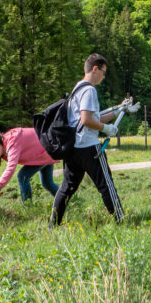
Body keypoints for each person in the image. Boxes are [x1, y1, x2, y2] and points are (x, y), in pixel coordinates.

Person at [50, 53, 123, 226]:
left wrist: (119, 111)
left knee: (66, 188)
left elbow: (92, 117)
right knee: (106, 185)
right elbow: (86, 120)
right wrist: (106, 129)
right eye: (103, 72)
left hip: (73, 148)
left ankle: (53, 225)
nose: (104, 76)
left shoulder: (78, 88)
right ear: (95, 69)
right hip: (89, 148)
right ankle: (121, 220)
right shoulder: (90, 90)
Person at [0, 128, 60, 204]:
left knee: (23, 176)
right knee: (47, 183)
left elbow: (11, 168)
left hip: (45, 151)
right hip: (45, 151)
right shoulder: (1, 146)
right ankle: (64, 198)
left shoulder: (12, 143)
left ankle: (28, 207)